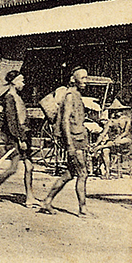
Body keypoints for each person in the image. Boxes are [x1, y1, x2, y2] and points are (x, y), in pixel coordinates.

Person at [39, 66, 91, 216]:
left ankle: (47, 201)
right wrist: (69, 145)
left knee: (69, 174)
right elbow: (65, 122)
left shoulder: (76, 95)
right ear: (74, 80)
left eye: (86, 78)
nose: (85, 81)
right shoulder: (70, 96)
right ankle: (83, 209)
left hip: (79, 138)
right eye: (83, 78)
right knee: (83, 174)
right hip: (74, 140)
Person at [0, 70, 36, 208]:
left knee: (29, 167)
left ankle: (30, 197)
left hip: (24, 135)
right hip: (15, 138)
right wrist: (20, 139)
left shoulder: (17, 97)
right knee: (13, 168)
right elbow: (11, 121)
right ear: (14, 82)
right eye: (21, 81)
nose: (23, 84)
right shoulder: (9, 98)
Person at [92, 100, 132, 179]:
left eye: (119, 110)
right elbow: (103, 134)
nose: (117, 112)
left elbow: (126, 132)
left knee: (120, 142)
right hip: (112, 141)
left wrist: (119, 137)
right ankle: (107, 171)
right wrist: (96, 143)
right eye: (115, 110)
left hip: (123, 139)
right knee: (105, 151)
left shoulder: (127, 119)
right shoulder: (111, 121)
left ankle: (101, 147)